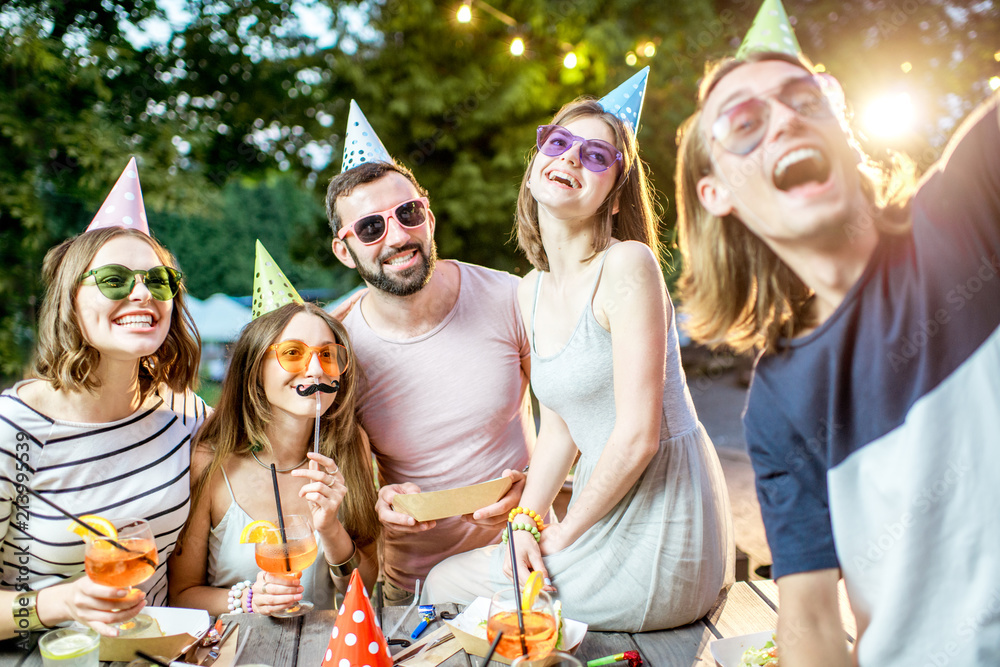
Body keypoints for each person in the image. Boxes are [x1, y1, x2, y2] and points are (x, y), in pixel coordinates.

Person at [675, 3, 1000, 663]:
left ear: (844, 129)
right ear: (717, 194)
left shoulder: (971, 204)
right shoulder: (777, 398)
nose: (786, 117)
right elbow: (813, 623)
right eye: (744, 121)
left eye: (806, 97)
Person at [424, 71, 735, 632]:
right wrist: (526, 521)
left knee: (463, 594)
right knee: (449, 581)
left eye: (596, 156)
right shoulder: (530, 290)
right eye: (559, 143)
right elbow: (562, 425)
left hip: (662, 526)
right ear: (536, 161)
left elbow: (639, 437)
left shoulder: (627, 266)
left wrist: (564, 535)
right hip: (601, 513)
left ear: (615, 198)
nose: (570, 158)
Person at [325, 101, 534, 604]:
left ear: (429, 219)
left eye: (407, 213)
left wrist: (533, 487)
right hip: (416, 589)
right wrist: (379, 500)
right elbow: (338, 474)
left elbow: (570, 417)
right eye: (371, 227)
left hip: (523, 561)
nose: (397, 236)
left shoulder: (508, 297)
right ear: (343, 250)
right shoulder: (338, 345)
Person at [0, 159, 206, 639]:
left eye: (159, 281)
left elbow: (267, 449)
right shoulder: (13, 430)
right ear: (69, 299)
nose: (142, 294)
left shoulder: (183, 413)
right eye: (115, 279)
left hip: (158, 652)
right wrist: (60, 602)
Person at [170, 243, 380, 615]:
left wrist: (331, 529)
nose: (315, 370)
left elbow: (361, 591)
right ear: (254, 369)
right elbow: (181, 594)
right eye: (293, 353)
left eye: (328, 355)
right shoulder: (210, 461)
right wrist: (248, 600)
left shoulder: (350, 448)